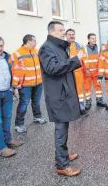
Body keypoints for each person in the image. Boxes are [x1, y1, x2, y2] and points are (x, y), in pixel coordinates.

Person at [39, 21, 84, 176]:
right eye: (60, 30)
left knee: (63, 127)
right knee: (61, 129)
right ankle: (62, 165)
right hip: (57, 95)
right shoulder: (46, 48)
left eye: (64, 30)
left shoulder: (58, 46)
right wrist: (76, 59)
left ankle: (62, 156)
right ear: (51, 31)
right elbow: (52, 68)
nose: (63, 33)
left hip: (62, 93)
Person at [11, 34, 47, 133]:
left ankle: (37, 117)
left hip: (38, 82)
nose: (36, 43)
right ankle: (19, 124)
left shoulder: (36, 51)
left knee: (37, 102)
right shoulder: (17, 54)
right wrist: (15, 85)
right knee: (24, 104)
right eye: (34, 41)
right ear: (29, 41)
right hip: (25, 84)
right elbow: (15, 70)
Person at [66, 29, 88, 116]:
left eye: (73, 34)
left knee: (79, 90)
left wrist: (87, 69)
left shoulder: (79, 45)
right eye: (69, 34)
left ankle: (81, 107)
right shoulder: (64, 46)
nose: (71, 36)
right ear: (66, 35)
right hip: (67, 72)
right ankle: (71, 109)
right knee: (69, 91)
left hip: (78, 72)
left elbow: (84, 58)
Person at [83, 33, 108, 109]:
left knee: (98, 86)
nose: (94, 40)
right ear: (88, 39)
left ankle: (99, 101)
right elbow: (83, 60)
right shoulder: (84, 48)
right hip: (87, 72)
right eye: (92, 38)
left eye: (95, 38)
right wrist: (87, 69)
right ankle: (88, 102)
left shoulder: (98, 48)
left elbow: (101, 60)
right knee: (87, 87)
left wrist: (101, 71)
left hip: (96, 72)